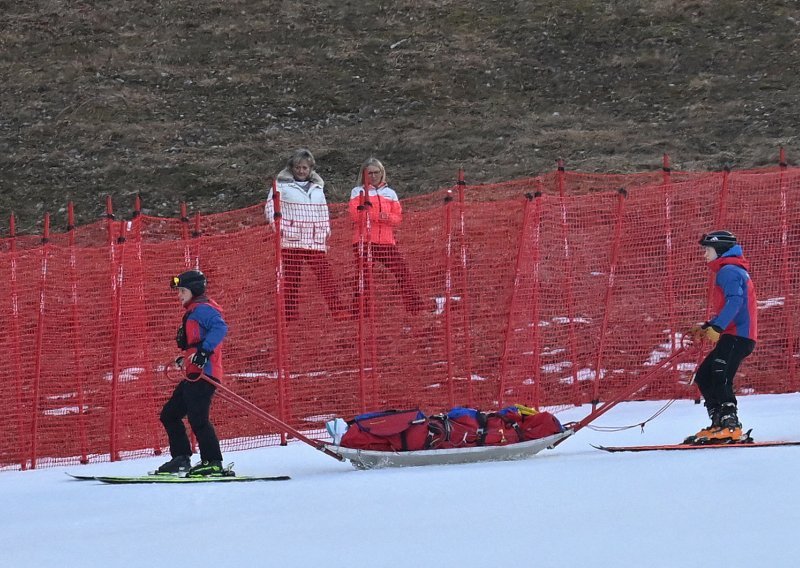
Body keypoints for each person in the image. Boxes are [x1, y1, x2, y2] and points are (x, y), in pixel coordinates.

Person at [156, 269, 229, 476]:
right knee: (170, 414)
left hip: (205, 375)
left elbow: (220, 328)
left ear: (194, 290)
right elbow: (196, 342)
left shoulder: (203, 309)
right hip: (194, 373)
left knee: (198, 418)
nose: (179, 295)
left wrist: (204, 352)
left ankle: (213, 461)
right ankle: (181, 458)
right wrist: (186, 358)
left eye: (182, 290)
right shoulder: (194, 310)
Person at [686, 230, 757, 444]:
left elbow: (735, 302)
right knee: (705, 376)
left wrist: (717, 327)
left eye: (707, 250)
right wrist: (709, 325)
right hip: (733, 334)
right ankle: (718, 422)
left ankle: (730, 424)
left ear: (720, 250)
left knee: (719, 374)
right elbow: (733, 304)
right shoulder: (731, 270)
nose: (705, 255)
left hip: (738, 336)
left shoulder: (728, 271)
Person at [265, 149, 344, 321]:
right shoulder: (280, 185)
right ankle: (290, 314)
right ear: (292, 167)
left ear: (310, 169)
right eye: (298, 167)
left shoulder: (318, 187)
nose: (301, 171)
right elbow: (271, 208)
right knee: (292, 278)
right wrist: (281, 229)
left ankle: (337, 309)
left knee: (325, 275)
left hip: (314, 240)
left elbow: (323, 210)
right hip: (292, 239)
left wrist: (325, 231)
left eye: (305, 168)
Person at [348, 157, 423, 315]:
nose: (373, 176)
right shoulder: (357, 192)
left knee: (402, 272)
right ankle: (360, 310)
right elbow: (356, 216)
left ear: (382, 173)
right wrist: (380, 215)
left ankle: (415, 307)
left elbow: (397, 218)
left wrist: (383, 217)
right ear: (364, 175)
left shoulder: (390, 193)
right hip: (364, 241)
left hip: (386, 242)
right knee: (364, 276)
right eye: (370, 173)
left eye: (376, 172)